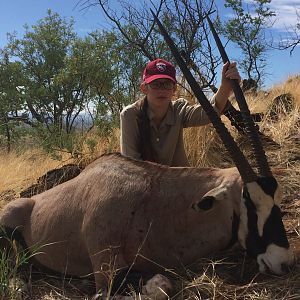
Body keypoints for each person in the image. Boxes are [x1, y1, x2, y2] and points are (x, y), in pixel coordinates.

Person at [120, 58, 241, 166]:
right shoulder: (130, 115)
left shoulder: (179, 109)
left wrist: (225, 87)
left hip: (179, 183)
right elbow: (131, 167)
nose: (162, 90)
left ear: (174, 89)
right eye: (155, 84)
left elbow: (208, 113)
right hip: (145, 184)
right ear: (144, 88)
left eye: (167, 84)